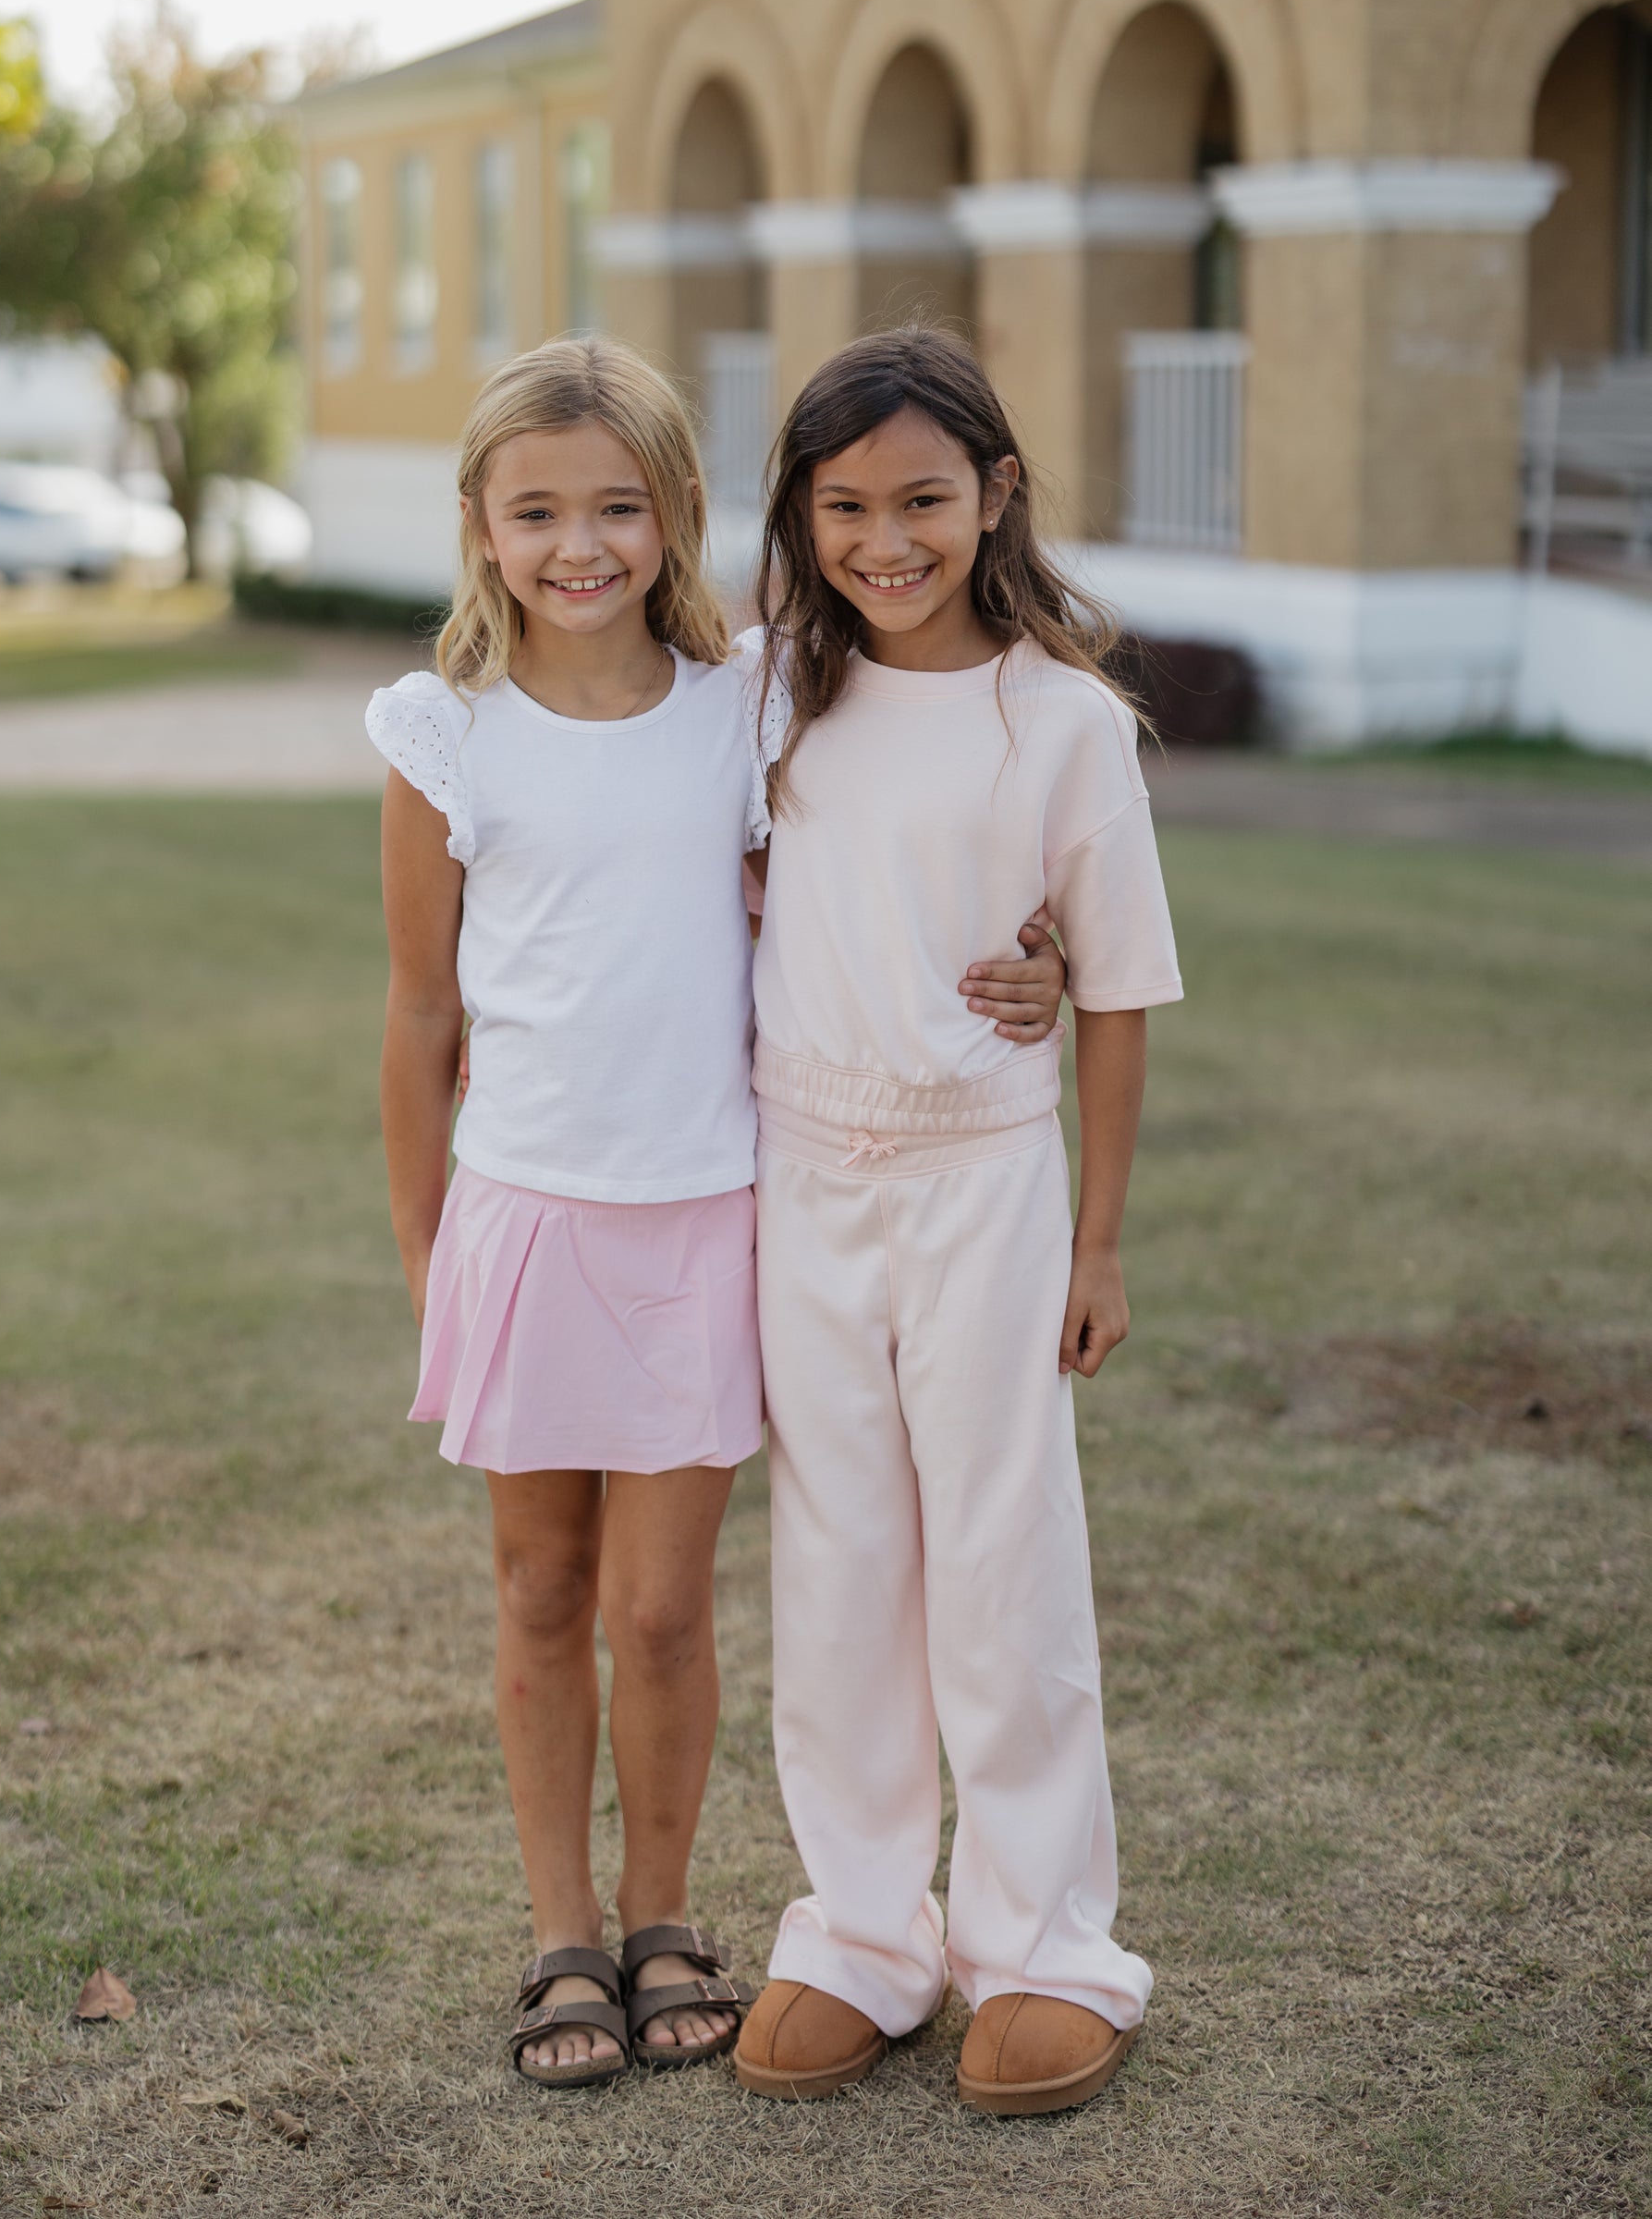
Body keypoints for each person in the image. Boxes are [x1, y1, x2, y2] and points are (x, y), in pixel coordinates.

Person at [365, 336, 1068, 2090]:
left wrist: (1043, 952)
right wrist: (420, 1242)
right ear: (480, 524)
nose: (577, 544)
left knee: (664, 1612)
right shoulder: (440, 734)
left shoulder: (746, 705)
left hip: (707, 1217)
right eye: (536, 511)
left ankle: (665, 1913)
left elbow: (889, 845)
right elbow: (419, 1016)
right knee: (540, 1593)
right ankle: (558, 1938)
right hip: (526, 1216)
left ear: (677, 511)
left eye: (616, 505)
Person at [730, 326, 1182, 2117]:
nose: (883, 537)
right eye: (843, 504)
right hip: (800, 1177)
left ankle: (1043, 1938)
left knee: (1000, 1556)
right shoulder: (770, 688)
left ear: (993, 491)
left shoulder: (1064, 718)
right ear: (803, 513)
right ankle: (859, 1927)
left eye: (920, 496)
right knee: (836, 1559)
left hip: (987, 1180)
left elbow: (1122, 983)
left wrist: (1100, 1241)